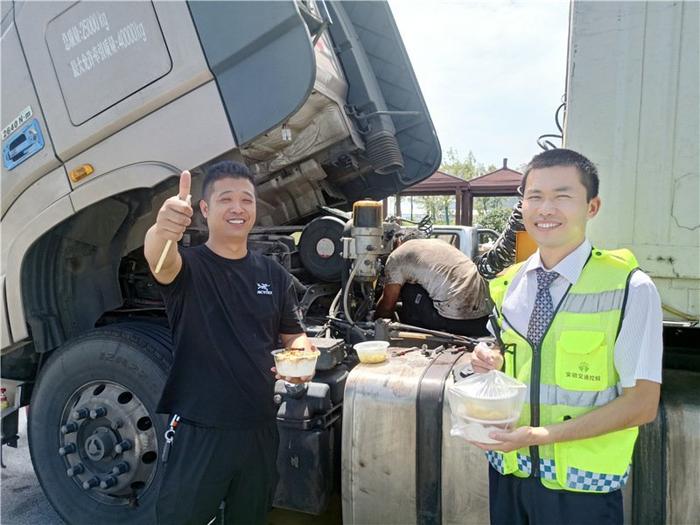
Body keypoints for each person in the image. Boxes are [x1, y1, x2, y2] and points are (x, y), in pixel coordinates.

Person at [470, 149, 662, 525]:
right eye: (535, 196)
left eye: (562, 196)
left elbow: (641, 404)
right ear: (522, 205)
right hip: (509, 473)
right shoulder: (508, 284)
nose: (546, 209)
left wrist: (539, 436)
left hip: (582, 489)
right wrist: (487, 356)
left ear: (592, 206)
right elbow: (508, 357)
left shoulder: (630, 288)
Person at [144, 161, 314, 525]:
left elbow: (292, 332)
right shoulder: (187, 268)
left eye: (246, 200)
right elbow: (159, 260)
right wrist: (162, 229)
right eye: (226, 199)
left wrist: (302, 354)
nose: (238, 208)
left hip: (260, 428)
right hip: (200, 431)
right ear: (204, 210)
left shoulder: (273, 274)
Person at [374, 237, 492, 336]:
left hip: (453, 321)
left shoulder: (396, 256)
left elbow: (387, 306)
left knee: (408, 289)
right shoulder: (437, 243)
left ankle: (414, 335)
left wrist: (375, 320)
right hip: (483, 320)